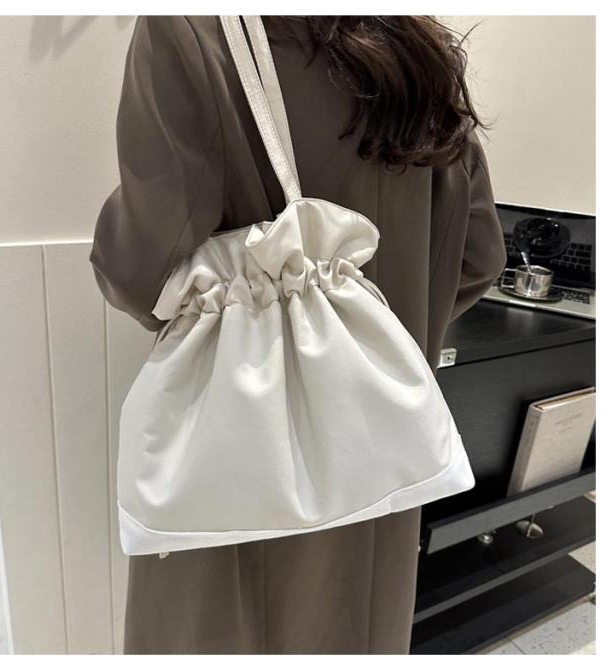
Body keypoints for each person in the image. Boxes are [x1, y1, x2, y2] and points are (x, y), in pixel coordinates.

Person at [89, 15, 507, 654]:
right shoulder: (420, 50)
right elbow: (479, 256)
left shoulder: (192, 28)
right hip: (382, 458)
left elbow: (140, 271)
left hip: (241, 471)